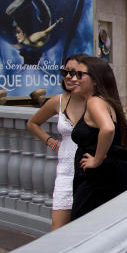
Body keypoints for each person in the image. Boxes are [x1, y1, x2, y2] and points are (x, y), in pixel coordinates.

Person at [70, 56, 127, 219]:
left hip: (97, 180)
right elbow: (107, 128)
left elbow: (107, 129)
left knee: (83, 226)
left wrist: (97, 160)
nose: (74, 79)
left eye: (80, 75)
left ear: (95, 80)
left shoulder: (94, 102)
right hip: (106, 176)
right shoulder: (105, 101)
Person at [27, 54, 89, 230]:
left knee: (85, 227)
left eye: (74, 72)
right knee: (58, 229)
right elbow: (32, 123)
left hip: (88, 170)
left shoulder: (95, 101)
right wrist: (52, 143)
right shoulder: (58, 101)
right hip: (66, 172)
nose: (68, 76)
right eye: (65, 72)